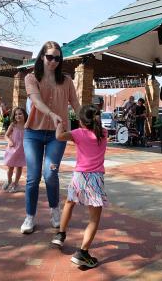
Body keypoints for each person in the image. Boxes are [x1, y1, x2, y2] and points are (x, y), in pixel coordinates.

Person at [21, 41, 80, 234]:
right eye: (50, 57)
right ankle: (30, 217)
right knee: (33, 177)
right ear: (42, 57)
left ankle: (55, 211)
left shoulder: (66, 81)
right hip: (33, 134)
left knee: (50, 174)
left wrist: (89, 126)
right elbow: (36, 100)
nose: (53, 61)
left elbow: (77, 105)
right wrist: (52, 114)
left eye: (57, 58)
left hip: (58, 136)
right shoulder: (31, 78)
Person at [51, 104, 107, 268]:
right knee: (94, 219)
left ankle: (61, 234)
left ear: (81, 122)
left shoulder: (78, 134)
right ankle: (83, 252)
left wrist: (59, 125)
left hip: (79, 176)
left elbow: (59, 136)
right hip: (96, 178)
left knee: (70, 203)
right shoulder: (103, 133)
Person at [3, 107, 27, 193]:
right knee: (10, 167)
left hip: (22, 149)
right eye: (16, 114)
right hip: (13, 149)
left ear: (24, 115)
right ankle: (9, 180)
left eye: (20, 114)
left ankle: (15, 184)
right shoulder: (13, 125)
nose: (18, 116)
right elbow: (6, 135)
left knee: (19, 167)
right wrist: (9, 141)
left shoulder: (27, 125)